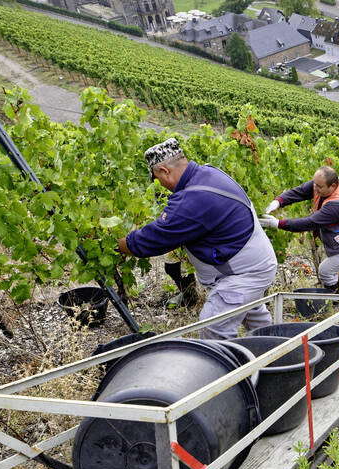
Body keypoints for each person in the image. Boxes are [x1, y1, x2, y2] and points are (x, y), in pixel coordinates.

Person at [118, 138, 278, 339]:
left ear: (164, 171)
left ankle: (229, 369)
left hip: (243, 274)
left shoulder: (192, 199)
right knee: (253, 316)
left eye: (157, 178)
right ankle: (276, 355)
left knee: (214, 327)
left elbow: (152, 240)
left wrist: (119, 246)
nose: (159, 184)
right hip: (255, 264)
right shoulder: (208, 173)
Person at [260, 166, 339, 301]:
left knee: (326, 270)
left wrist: (278, 223)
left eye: (319, 186)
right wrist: (279, 201)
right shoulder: (322, 184)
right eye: (314, 183)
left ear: (333, 186)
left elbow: (310, 222)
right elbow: (300, 191)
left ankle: (334, 303)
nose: (315, 188)